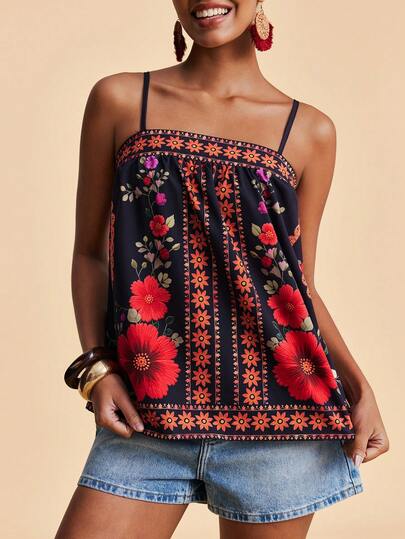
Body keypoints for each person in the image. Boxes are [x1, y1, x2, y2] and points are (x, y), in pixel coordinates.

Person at [56, 1, 389, 538]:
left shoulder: (309, 131)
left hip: (279, 426)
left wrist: (359, 386)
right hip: (146, 416)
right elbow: (90, 254)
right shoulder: (121, 100)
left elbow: (297, 285)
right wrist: (97, 369)